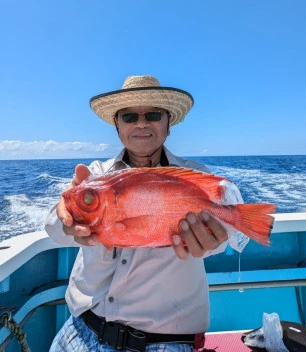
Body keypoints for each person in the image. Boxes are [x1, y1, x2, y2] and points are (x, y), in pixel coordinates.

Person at [45, 75, 244, 352]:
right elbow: (53, 228)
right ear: (117, 126)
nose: (141, 123)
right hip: (79, 330)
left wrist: (215, 240)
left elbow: (222, 238)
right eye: (128, 116)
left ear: (168, 124)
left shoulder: (196, 178)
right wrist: (65, 217)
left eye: (152, 114)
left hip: (161, 344)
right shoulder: (95, 178)